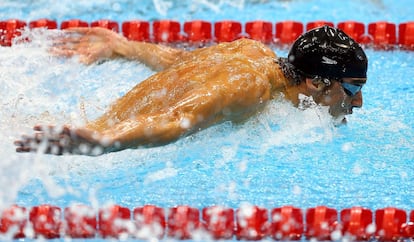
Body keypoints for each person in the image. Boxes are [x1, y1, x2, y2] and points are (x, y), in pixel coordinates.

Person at [14, 25, 368, 156]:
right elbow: (177, 120)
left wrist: (124, 47)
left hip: (83, 125)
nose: (359, 102)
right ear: (316, 81)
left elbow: (181, 61)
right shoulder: (251, 88)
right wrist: (103, 141)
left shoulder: (252, 51)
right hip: (91, 141)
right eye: (352, 88)